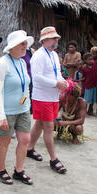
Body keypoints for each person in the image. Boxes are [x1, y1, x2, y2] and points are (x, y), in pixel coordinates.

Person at [0, 30, 34, 185]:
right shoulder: (2, 64)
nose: (25, 46)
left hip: (23, 109)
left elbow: (26, 87)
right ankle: (1, 170)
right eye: (22, 44)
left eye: (25, 44)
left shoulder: (22, 62)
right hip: (7, 111)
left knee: (25, 139)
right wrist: (1, 115)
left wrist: (27, 106)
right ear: (13, 46)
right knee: (5, 141)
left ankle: (19, 170)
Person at [27, 27, 69, 174]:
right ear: (44, 40)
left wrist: (63, 82)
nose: (56, 40)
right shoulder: (38, 56)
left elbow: (57, 72)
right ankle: (53, 158)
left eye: (56, 38)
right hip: (42, 97)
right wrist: (56, 83)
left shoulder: (54, 55)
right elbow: (36, 77)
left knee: (39, 123)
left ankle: (29, 148)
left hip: (53, 96)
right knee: (49, 126)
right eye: (53, 38)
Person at [55, 80, 87, 144]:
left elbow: (81, 120)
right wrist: (55, 120)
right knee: (49, 123)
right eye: (66, 93)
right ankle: (59, 132)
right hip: (62, 121)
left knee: (79, 128)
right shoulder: (62, 98)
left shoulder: (82, 102)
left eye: (68, 94)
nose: (65, 95)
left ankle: (75, 136)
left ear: (74, 96)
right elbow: (55, 111)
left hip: (73, 125)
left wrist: (66, 122)